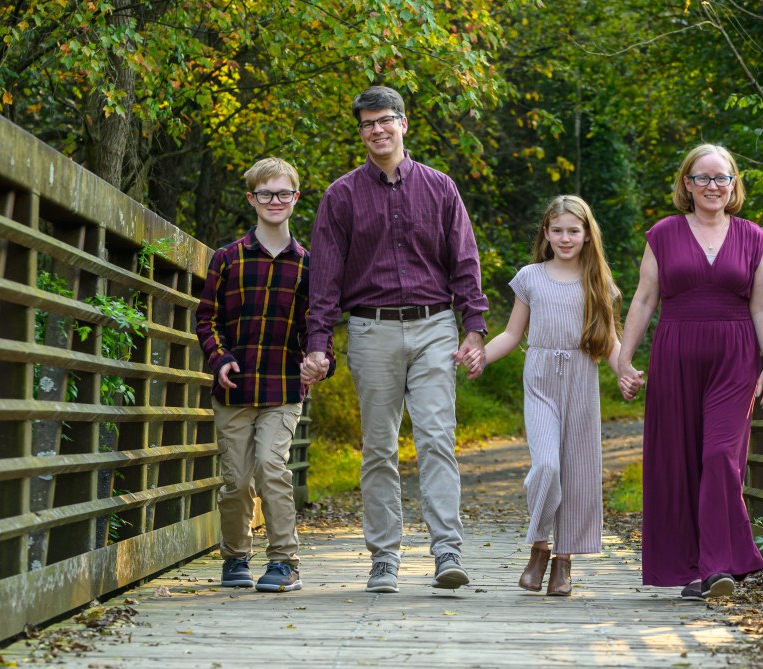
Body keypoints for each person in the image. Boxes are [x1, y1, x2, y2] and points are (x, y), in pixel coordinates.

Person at [301, 85, 488, 594]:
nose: (377, 130)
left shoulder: (441, 188)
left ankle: (447, 551)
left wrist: (474, 327)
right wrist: (318, 342)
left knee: (436, 440)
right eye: (367, 124)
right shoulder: (341, 196)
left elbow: (465, 262)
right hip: (370, 328)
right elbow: (325, 278)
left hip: (434, 327)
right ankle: (384, 557)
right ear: (360, 132)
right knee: (379, 447)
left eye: (386, 120)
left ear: (404, 124)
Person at [617, 144, 763, 600]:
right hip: (676, 353)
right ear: (687, 184)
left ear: (734, 185)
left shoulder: (752, 237)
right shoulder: (664, 234)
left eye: (722, 178)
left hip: (735, 357)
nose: (713, 187)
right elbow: (645, 299)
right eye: (703, 178)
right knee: (680, 461)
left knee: (719, 457)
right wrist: (624, 360)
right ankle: (699, 566)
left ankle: (720, 562)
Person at [464, 195, 621, 596]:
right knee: (547, 466)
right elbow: (512, 334)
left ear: (587, 235)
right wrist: (482, 357)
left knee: (578, 472)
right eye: (557, 231)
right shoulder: (531, 276)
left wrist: (627, 371)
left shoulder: (597, 281)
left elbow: (612, 343)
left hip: (582, 378)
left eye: (573, 231)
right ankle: (538, 548)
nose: (565, 238)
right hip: (540, 379)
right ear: (546, 234)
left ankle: (563, 562)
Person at [196, 157, 335, 593]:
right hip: (235, 390)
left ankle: (284, 561)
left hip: (283, 386)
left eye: (283, 193)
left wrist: (320, 358)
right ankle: (235, 556)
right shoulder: (227, 259)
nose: (274, 201)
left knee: (272, 468)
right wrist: (218, 359)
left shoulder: (311, 266)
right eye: (265, 194)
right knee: (235, 480)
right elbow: (208, 319)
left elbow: (319, 323)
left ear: (296, 199)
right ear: (252, 199)